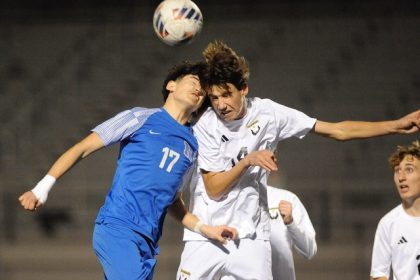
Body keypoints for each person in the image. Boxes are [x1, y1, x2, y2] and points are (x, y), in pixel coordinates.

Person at [176, 41, 420, 280]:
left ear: (244, 89)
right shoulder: (206, 123)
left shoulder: (269, 114)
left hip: (250, 239)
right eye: (214, 97)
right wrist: (248, 161)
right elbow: (214, 189)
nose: (220, 105)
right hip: (205, 237)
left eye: (226, 95)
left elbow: (337, 131)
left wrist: (395, 126)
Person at [18, 61, 238, 280]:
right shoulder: (140, 118)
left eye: (203, 90)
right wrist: (41, 187)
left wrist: (204, 229)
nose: (199, 89)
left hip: (148, 243)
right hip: (118, 228)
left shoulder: (193, 145)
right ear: (171, 85)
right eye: (193, 81)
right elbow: (82, 148)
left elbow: (172, 200)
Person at [370, 140, 420, 280]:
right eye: (397, 170)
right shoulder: (388, 223)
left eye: (409, 170)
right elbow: (378, 274)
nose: (401, 177)